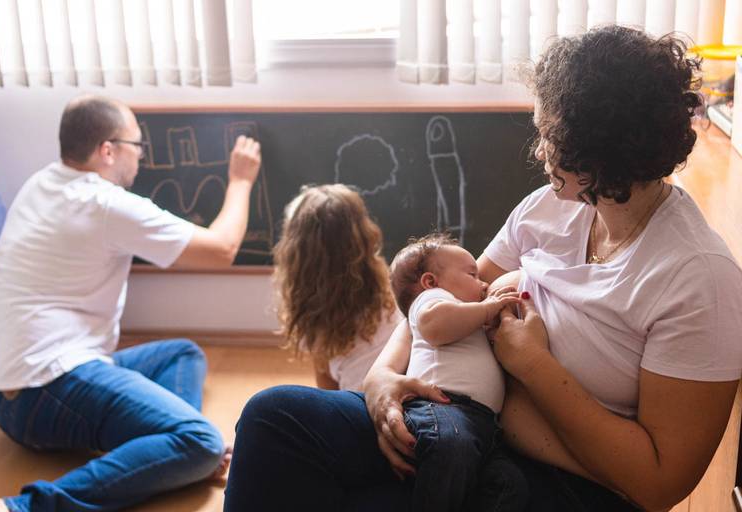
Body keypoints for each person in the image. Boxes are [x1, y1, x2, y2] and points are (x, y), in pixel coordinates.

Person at [224, 26, 742, 512]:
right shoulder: (550, 205)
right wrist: (383, 374)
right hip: (464, 418)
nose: (540, 151)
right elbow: (447, 293)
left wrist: (531, 367)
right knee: (275, 419)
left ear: (597, 152)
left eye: (549, 137)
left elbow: (657, 484)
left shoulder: (698, 279)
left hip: (560, 481)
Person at [0, 95, 262, 512]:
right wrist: (240, 180)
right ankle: (25, 508)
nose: (141, 157)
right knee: (203, 443)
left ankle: (172, 448)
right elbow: (222, 248)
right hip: (42, 391)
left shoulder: (41, 182)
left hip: (15, 390)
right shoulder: (105, 204)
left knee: (182, 354)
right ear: (107, 150)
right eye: (137, 145)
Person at [388, 233, 524, 511]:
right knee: (452, 448)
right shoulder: (432, 300)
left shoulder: (465, 315)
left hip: (483, 426)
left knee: (510, 484)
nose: (483, 283)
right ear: (430, 282)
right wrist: (486, 309)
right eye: (472, 274)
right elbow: (435, 326)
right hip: (442, 409)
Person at [273, 184, 401, 391]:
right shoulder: (393, 289)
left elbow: (328, 391)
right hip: (406, 399)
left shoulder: (309, 310)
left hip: (357, 409)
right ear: (364, 237)